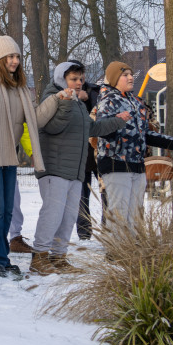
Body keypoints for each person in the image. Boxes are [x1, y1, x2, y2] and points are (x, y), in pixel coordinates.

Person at [0, 36, 62, 277]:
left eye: (17, 56)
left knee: (7, 207)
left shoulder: (19, 88)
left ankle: (2, 257)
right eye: (10, 56)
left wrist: (56, 99)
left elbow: (34, 120)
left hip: (8, 150)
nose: (15, 61)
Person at [31, 61, 129, 275]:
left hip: (75, 168)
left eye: (80, 79)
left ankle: (58, 257)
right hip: (54, 167)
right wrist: (66, 102)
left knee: (68, 215)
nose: (78, 83)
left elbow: (90, 128)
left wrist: (117, 121)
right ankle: (39, 257)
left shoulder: (76, 102)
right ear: (61, 79)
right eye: (73, 79)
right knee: (53, 213)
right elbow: (53, 127)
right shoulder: (52, 97)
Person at [94, 61, 173, 234]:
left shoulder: (136, 102)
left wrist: (170, 142)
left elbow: (144, 134)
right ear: (115, 78)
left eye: (131, 74)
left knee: (136, 214)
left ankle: (133, 253)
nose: (131, 78)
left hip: (137, 165)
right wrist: (116, 122)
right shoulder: (108, 101)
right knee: (119, 213)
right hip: (116, 164)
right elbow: (101, 130)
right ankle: (116, 252)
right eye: (125, 75)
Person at [76, 80, 107, 240]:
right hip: (79, 150)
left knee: (105, 191)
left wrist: (87, 99)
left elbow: (100, 113)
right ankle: (83, 232)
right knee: (81, 195)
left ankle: (107, 228)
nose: (78, 80)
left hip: (97, 150)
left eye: (80, 75)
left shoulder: (95, 92)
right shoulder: (62, 93)